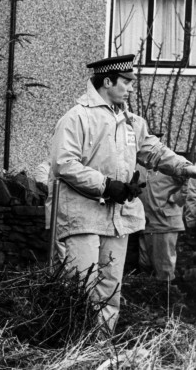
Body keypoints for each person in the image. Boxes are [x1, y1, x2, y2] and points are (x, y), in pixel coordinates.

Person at [49, 54, 196, 333]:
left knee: (109, 288)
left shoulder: (132, 122)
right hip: (82, 217)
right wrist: (106, 185)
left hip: (118, 218)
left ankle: (99, 345)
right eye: (127, 82)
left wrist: (188, 168)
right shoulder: (77, 118)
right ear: (107, 81)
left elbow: (154, 151)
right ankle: (73, 344)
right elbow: (64, 164)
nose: (131, 88)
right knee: (81, 284)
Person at [136, 155, 193, 282]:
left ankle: (168, 299)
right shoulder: (138, 165)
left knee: (164, 270)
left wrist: (174, 199)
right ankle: (152, 300)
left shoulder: (171, 162)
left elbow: (188, 184)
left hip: (165, 223)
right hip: (144, 224)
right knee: (144, 266)